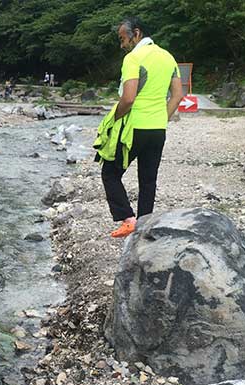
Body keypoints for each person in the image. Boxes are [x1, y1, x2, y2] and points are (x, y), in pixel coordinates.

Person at [101, 17, 183, 238]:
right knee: (148, 179)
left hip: (134, 128)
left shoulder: (134, 58)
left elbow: (128, 98)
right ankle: (144, 226)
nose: (122, 45)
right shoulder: (168, 57)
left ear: (136, 34)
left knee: (110, 172)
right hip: (157, 130)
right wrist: (161, 119)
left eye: (123, 39)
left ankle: (128, 219)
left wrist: (115, 118)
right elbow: (178, 95)